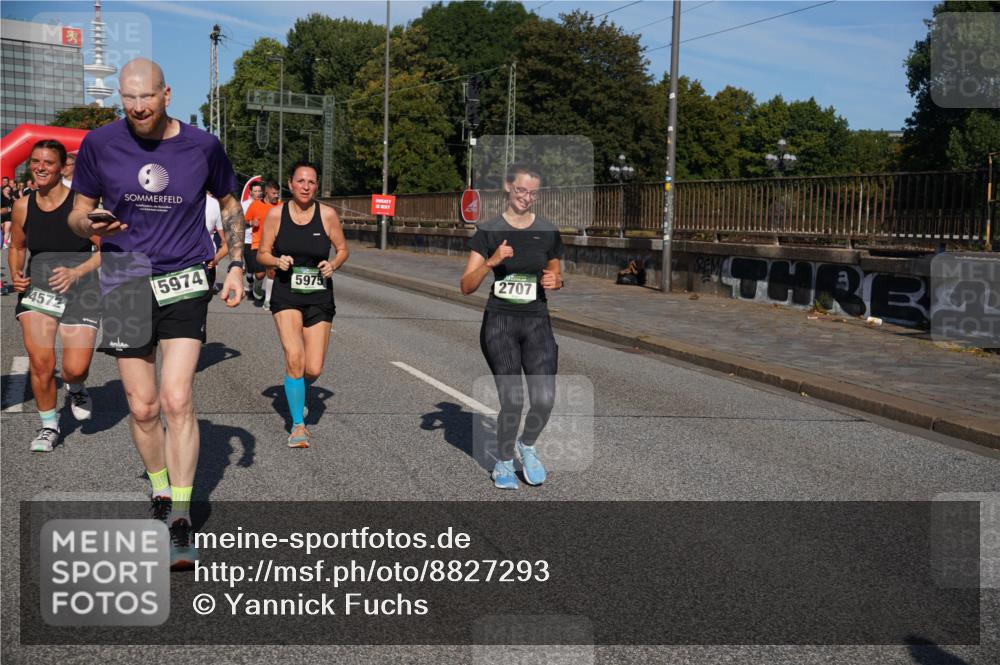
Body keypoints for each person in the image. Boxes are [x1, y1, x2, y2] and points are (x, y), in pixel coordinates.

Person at [67, 58, 246, 571]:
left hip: (185, 278)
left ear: (167, 93)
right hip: (125, 279)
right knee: (142, 407)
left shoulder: (202, 146)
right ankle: (161, 489)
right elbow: (78, 212)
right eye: (129, 97)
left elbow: (230, 205)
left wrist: (235, 266)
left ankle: (181, 516)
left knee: (176, 397)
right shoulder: (100, 145)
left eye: (147, 96)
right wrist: (90, 224)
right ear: (119, 97)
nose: (138, 107)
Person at [460, 163, 564, 489]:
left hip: (536, 321)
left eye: (532, 192)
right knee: (513, 399)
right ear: (508, 186)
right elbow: (466, 285)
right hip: (500, 322)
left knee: (545, 398)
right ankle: (503, 460)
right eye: (521, 190)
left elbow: (555, 270)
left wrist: (556, 280)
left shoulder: (547, 231)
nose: (526, 198)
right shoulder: (489, 231)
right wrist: (492, 261)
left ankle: (526, 444)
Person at [9, 140, 102, 452]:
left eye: (48, 162)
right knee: (41, 363)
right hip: (38, 291)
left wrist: (77, 273)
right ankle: (49, 426)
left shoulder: (83, 204)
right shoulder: (23, 205)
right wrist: (16, 274)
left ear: (63, 168)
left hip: (81, 288)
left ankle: (75, 386)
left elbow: (107, 251)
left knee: (75, 367)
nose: (40, 167)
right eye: (35, 161)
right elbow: (18, 246)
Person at [257, 162, 348, 448]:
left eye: (311, 181)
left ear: (316, 185)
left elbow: (343, 249)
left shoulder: (328, 215)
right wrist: (276, 260)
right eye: (300, 181)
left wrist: (333, 264)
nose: (306, 186)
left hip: (319, 294)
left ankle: (297, 388)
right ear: (291, 184)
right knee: (295, 357)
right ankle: (298, 425)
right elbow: (261, 253)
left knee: (314, 367)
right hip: (286, 292)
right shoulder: (275, 215)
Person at [244, 179, 279, 304]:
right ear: (267, 193)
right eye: (274, 193)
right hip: (257, 244)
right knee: (259, 274)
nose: (277, 196)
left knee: (272, 272)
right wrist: (251, 223)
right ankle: (257, 287)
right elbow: (244, 220)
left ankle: (268, 300)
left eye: (277, 193)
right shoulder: (255, 205)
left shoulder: (280, 206)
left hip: (274, 244)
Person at [205, 192, 228, 291]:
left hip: (205, 247)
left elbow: (219, 226)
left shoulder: (215, 203)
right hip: (208, 248)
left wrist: (223, 239)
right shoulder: (216, 203)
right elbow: (220, 227)